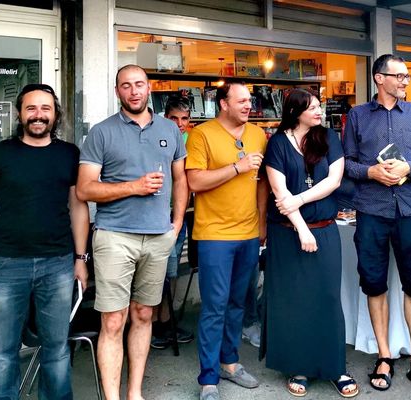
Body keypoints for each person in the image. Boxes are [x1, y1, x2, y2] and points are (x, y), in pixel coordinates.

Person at [0, 83, 90, 399]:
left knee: (57, 349)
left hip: (58, 265)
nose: (39, 115)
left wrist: (81, 259)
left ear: (55, 114)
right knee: (3, 352)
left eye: (45, 108)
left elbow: (78, 207)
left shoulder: (69, 154)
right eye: (31, 108)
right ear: (21, 114)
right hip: (6, 265)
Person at [76, 64, 188, 400]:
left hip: (158, 237)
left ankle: (134, 392)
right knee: (113, 320)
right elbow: (84, 190)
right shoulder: (102, 132)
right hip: (114, 236)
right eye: (126, 86)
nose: (134, 91)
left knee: (143, 314)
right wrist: (133, 187)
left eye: (139, 84)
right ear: (117, 92)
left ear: (149, 87)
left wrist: (177, 222)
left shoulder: (170, 129)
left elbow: (181, 179)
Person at [343, 54, 411, 396]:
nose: (404, 81)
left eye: (407, 77)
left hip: (410, 210)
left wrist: (408, 169)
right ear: (378, 78)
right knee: (374, 284)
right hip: (370, 212)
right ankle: (383, 355)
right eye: (398, 76)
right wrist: (370, 172)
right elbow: (347, 164)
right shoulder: (356, 116)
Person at [261, 88, 359, 398]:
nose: (319, 111)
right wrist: (302, 229)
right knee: (294, 301)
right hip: (288, 235)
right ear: (295, 111)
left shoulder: (328, 137)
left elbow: (333, 180)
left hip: (326, 229)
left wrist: (299, 201)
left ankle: (335, 367)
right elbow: (278, 191)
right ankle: (298, 366)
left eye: (319, 105)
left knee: (328, 297)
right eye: (312, 107)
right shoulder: (277, 143)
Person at [185, 81, 267, 400]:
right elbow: (195, 180)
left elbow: (261, 183)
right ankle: (208, 378)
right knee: (214, 307)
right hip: (214, 235)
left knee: (237, 304)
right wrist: (237, 167)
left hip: (248, 233)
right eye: (242, 101)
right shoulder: (202, 134)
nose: (249, 106)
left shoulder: (258, 135)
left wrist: (262, 222)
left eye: (250, 100)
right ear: (223, 104)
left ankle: (230, 363)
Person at [151, 97, 195, 349]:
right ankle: (155, 324)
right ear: (164, 116)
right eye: (174, 118)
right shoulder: (156, 137)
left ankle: (166, 321)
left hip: (180, 214)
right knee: (156, 273)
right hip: (156, 215)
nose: (179, 124)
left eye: (184, 119)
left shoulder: (191, 140)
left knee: (173, 271)